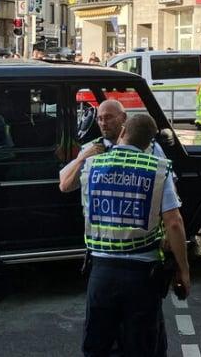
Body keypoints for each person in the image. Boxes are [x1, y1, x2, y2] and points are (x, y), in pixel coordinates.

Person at [59, 114, 190, 357]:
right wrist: (184, 270)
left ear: (122, 132)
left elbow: (64, 183)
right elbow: (174, 223)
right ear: (150, 142)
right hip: (143, 272)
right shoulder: (157, 169)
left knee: (98, 345)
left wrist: (82, 158)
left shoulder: (92, 163)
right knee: (142, 345)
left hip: (101, 271)